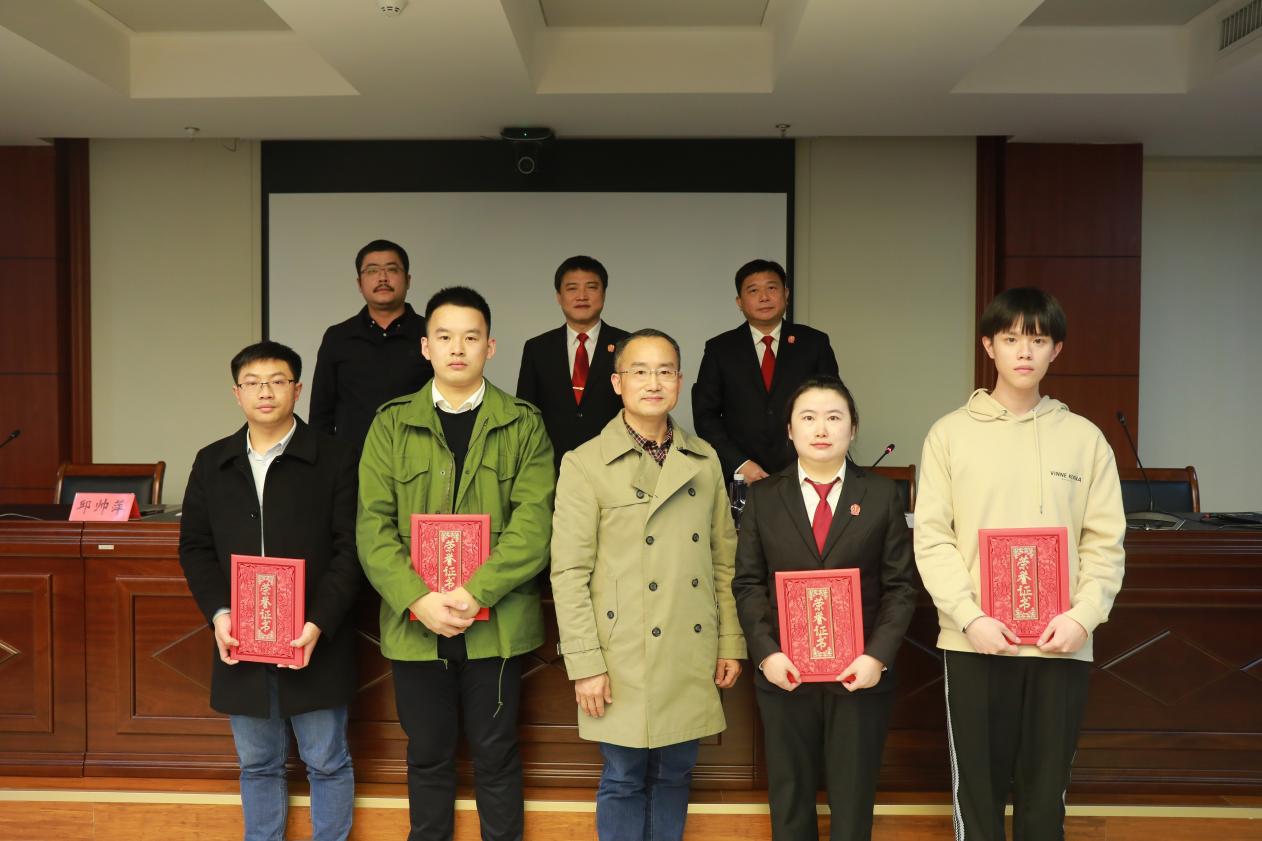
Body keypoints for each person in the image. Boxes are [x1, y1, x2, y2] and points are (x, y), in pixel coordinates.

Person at [914, 287, 1126, 841]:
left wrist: (1082, 617)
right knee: (977, 792)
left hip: (1062, 641)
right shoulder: (949, 435)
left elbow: (1105, 543)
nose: (1025, 352)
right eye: (1011, 339)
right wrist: (970, 617)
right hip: (975, 641)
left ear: (1057, 349)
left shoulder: (1085, 439)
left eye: (1038, 340)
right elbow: (931, 538)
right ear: (989, 346)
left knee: (1045, 791)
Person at [356, 286, 555, 841]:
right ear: (426, 347)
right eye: (444, 337)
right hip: (414, 623)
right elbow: (372, 526)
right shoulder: (391, 423)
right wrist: (417, 598)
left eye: (471, 337)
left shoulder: (523, 423)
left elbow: (534, 524)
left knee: (497, 753)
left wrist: (475, 593)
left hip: (498, 623)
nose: (458, 348)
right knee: (427, 754)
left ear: (490, 347)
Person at [551, 328, 746, 841]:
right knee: (623, 777)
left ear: (679, 381)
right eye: (640, 371)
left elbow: (723, 562)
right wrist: (585, 664)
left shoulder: (705, 459)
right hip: (621, 655)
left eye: (664, 371)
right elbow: (569, 572)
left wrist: (730, 641)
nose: (653, 382)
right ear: (617, 382)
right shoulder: (584, 463)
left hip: (688, 647)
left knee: (675, 774)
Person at [179, 340, 362, 841]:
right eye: (253, 383)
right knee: (258, 763)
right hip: (241, 636)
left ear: (297, 390)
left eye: (278, 381)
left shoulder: (335, 458)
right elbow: (194, 547)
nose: (266, 392)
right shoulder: (212, 461)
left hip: (314, 635)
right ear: (236, 393)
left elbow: (351, 549)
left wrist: (318, 622)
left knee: (326, 760)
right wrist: (219, 614)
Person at [732, 375, 916, 841]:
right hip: (784, 672)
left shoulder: (881, 495)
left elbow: (900, 587)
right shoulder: (764, 497)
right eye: (808, 417)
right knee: (790, 795)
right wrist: (767, 653)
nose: (821, 429)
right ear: (790, 429)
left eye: (834, 417)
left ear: (853, 429)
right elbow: (748, 583)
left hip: (859, 674)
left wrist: (876, 657)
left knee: (853, 798)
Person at [692, 259, 840, 484]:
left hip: (806, 470)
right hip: (741, 475)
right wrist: (739, 463)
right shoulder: (720, 349)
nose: (764, 297)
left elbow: (833, 405)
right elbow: (705, 416)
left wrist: (811, 459)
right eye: (753, 291)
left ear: (786, 294)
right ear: (739, 302)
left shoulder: (814, 343)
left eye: (772, 288)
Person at [309, 238, 433, 451]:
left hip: (420, 459)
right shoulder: (338, 337)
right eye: (372, 270)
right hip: (352, 462)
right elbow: (321, 415)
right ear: (359, 283)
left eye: (392, 269)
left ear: (408, 280)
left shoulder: (433, 334)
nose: (382, 278)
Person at [516, 255, 631, 468]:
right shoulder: (537, 348)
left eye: (591, 287)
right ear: (559, 296)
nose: (582, 296)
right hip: (551, 464)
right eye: (572, 288)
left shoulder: (628, 345)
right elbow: (526, 414)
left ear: (604, 293)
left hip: (616, 462)